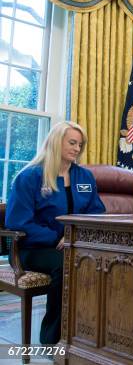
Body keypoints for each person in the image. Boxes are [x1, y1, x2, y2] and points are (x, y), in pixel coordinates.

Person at [5, 121, 106, 345]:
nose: (77, 149)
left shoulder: (85, 177)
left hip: (74, 245)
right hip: (35, 248)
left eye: (80, 144)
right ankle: (53, 339)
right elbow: (18, 222)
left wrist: (75, 238)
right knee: (68, 264)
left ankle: (88, 333)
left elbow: (97, 212)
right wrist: (55, 238)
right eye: (72, 142)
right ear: (55, 142)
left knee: (102, 263)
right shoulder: (30, 176)